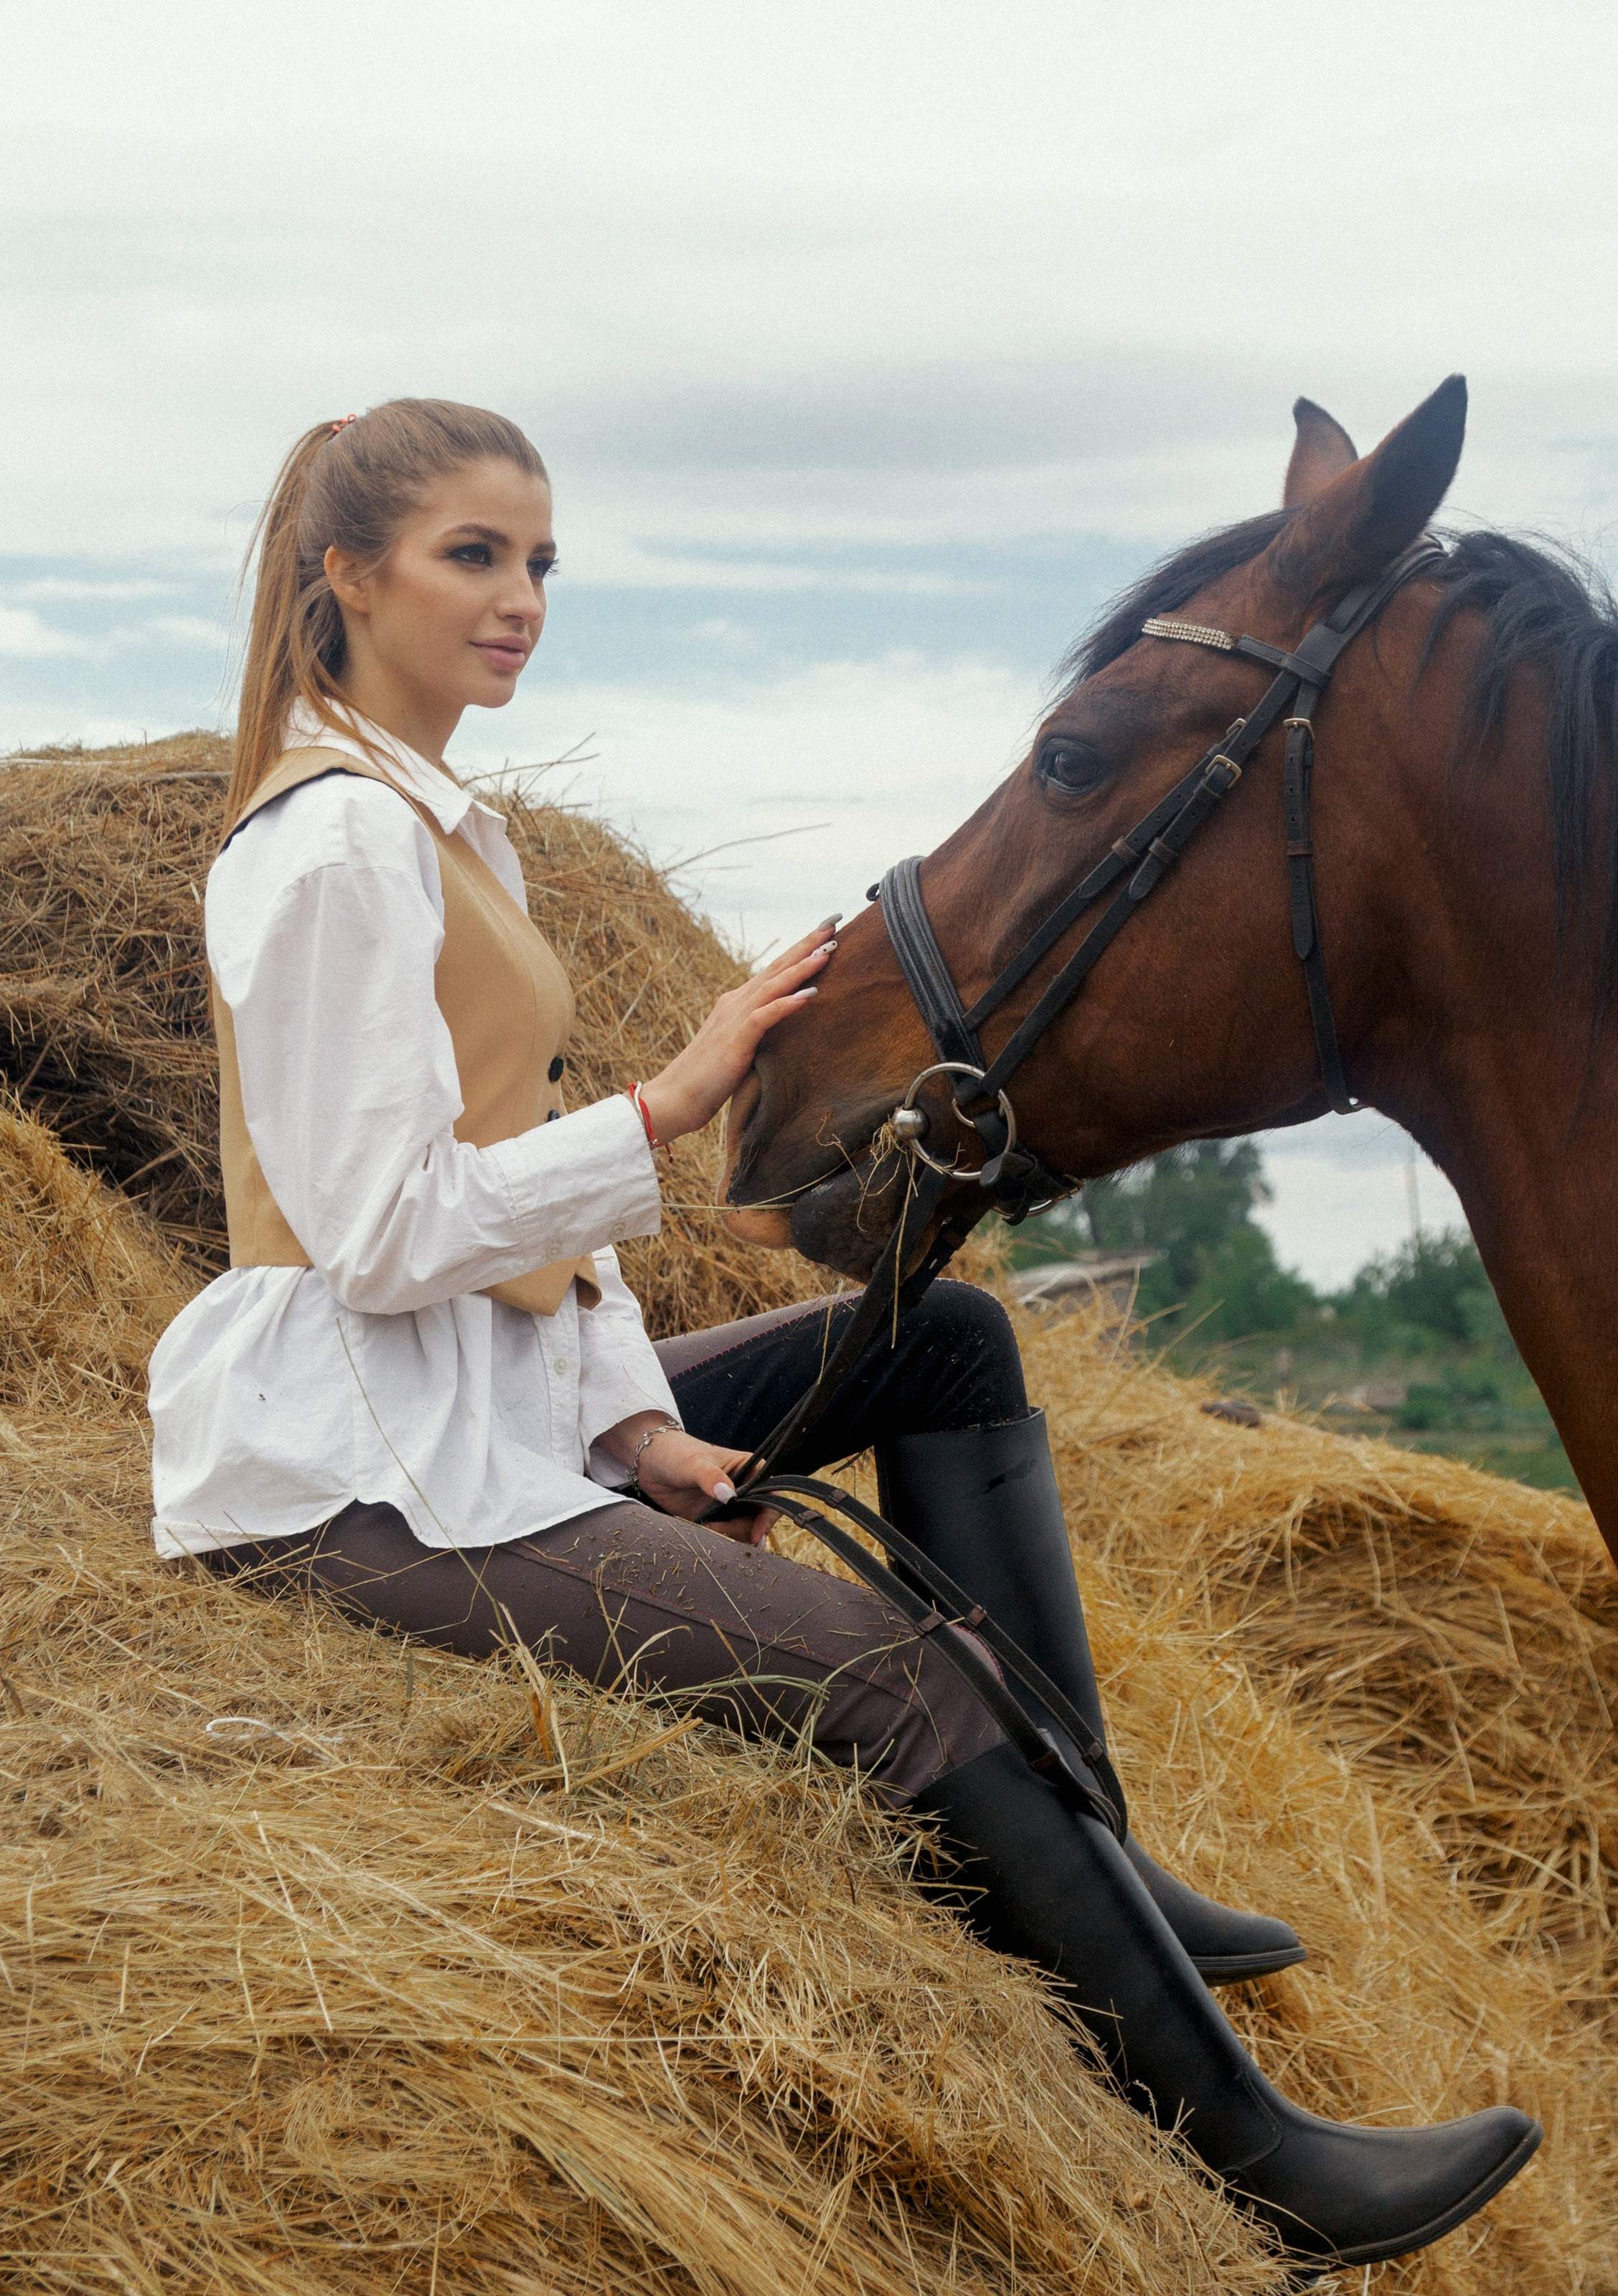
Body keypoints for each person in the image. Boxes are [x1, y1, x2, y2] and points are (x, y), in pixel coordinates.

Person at [147, 398, 1541, 2272]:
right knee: (898, 1680)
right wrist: (671, 1097)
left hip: (489, 1410)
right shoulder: (326, 855)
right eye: (473, 556)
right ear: (346, 576)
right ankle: (1259, 2160)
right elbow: (387, 1236)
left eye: (541, 560)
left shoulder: (442, 828)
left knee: (942, 1344)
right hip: (350, 1481)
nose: (521, 599)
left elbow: (504, 1204)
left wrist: (637, 1430)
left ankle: (1090, 1853)